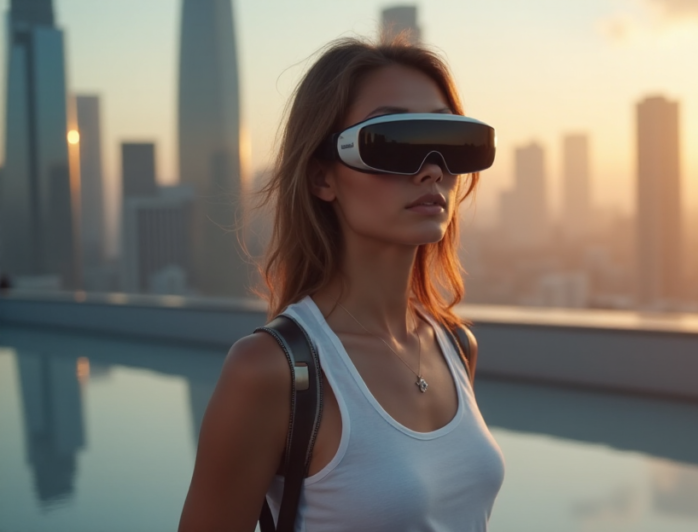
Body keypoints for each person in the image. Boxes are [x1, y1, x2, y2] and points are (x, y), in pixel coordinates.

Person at [178, 37, 505, 532]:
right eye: (395, 143)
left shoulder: (456, 346)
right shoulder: (270, 371)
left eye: (451, 141)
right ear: (321, 178)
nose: (433, 169)